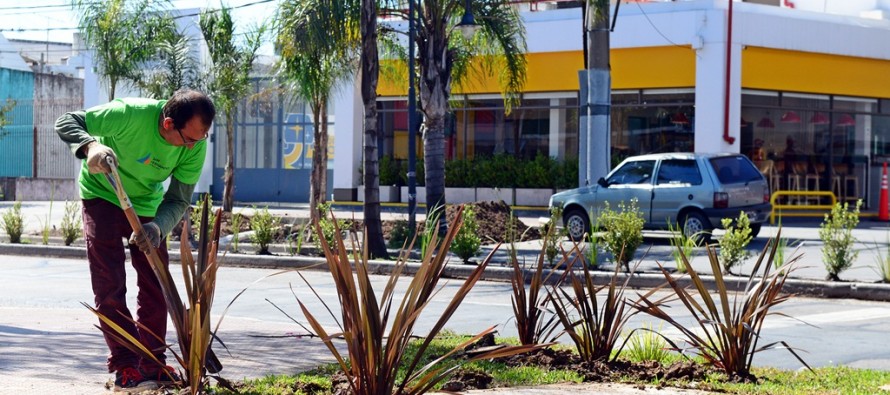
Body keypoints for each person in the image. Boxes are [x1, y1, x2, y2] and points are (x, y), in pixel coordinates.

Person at [55, 89, 216, 392]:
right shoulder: (130, 113)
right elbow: (68, 121)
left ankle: (152, 364)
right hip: (102, 194)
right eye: (190, 138)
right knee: (110, 282)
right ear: (168, 124)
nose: (194, 145)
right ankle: (126, 366)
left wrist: (158, 227)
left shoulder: (195, 144)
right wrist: (90, 146)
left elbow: (179, 198)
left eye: (201, 137)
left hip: (147, 207)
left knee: (156, 284)